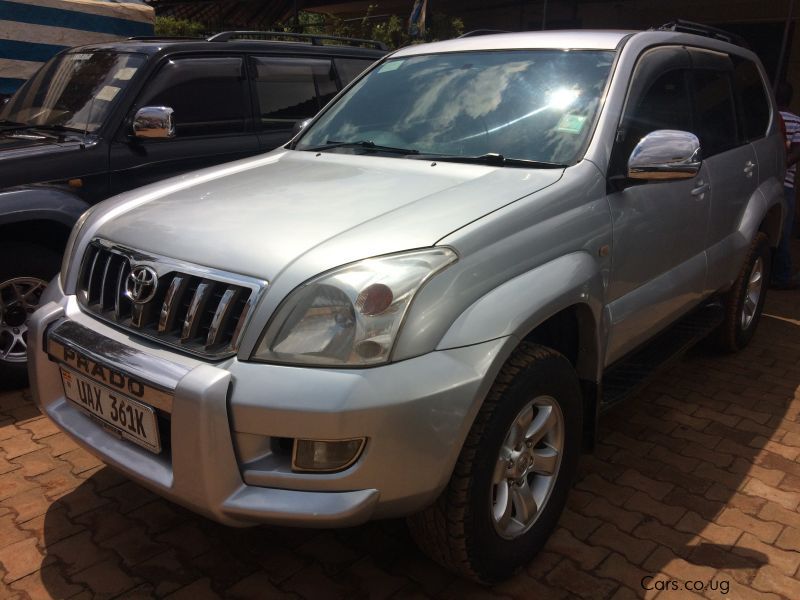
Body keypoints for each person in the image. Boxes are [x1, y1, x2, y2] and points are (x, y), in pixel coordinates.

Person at [772, 81, 800, 289]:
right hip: (786, 183)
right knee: (783, 231)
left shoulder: (770, 119)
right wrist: (783, 166)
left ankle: (779, 274)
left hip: (768, 181)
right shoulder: (797, 122)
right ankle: (782, 276)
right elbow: (797, 152)